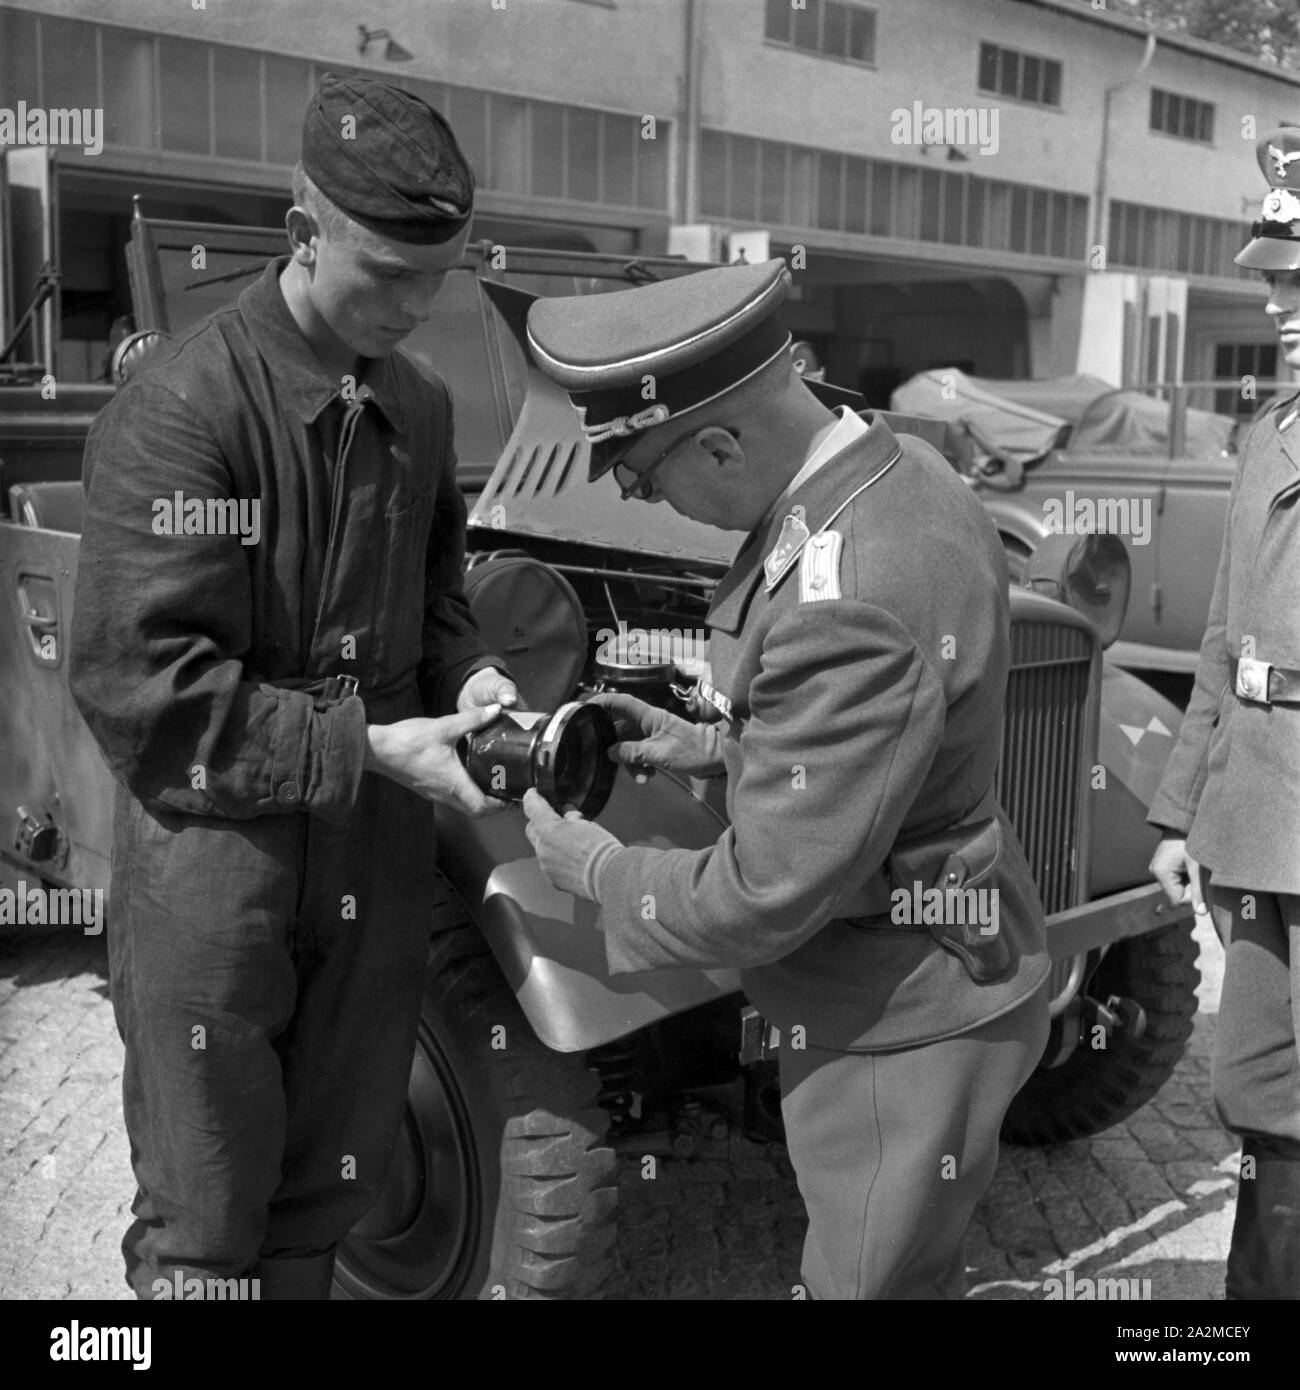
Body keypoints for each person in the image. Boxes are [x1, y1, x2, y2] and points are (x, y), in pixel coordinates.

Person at [520, 259, 1051, 1299]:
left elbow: (763, 891)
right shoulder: (895, 474)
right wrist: (712, 748)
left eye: (639, 476)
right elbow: (880, 757)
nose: (647, 500)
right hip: (942, 967)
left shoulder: (847, 587)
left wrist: (597, 869)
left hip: (894, 1025)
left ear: (719, 442)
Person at [69, 74, 517, 1300]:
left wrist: (473, 678)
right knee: (208, 1215)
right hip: (219, 868)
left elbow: (437, 597)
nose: (417, 307)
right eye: (387, 273)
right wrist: (367, 745)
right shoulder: (181, 411)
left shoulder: (415, 406)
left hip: (370, 865)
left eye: (439, 278)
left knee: (328, 1188)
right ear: (301, 235)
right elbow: (145, 689)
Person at [1148, 126, 1300, 1302]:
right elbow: (1216, 639)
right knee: (1254, 1080)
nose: (1280, 302)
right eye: (1272, 278)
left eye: (1299, 281)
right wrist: (1174, 808)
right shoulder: (1265, 431)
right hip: (1256, 808)